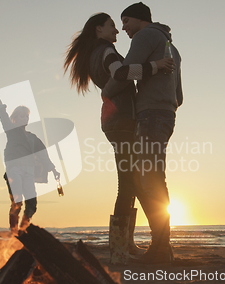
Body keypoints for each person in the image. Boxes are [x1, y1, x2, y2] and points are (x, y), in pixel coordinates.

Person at [64, 13, 174, 264]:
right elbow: (123, 73)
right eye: (112, 25)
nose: (116, 30)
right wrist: (156, 66)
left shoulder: (94, 54)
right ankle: (129, 247)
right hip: (123, 120)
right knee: (130, 183)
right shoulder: (106, 51)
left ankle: (125, 246)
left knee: (129, 182)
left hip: (114, 121)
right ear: (98, 29)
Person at [103, 2, 183, 264]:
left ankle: (160, 248)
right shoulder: (172, 47)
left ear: (139, 20)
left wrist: (107, 91)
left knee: (149, 180)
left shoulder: (145, 36)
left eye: (125, 21)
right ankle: (161, 246)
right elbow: (179, 96)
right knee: (151, 177)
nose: (123, 27)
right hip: (166, 115)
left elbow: (125, 73)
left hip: (150, 116)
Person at [0, 88, 60, 235]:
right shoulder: (11, 130)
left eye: (26, 116)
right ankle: (14, 233)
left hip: (29, 171)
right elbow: (2, 113)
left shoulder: (33, 138)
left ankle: (22, 232)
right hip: (14, 168)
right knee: (17, 202)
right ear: (14, 118)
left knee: (32, 205)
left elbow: (43, 155)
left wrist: (54, 170)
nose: (25, 118)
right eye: (21, 116)